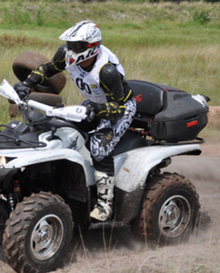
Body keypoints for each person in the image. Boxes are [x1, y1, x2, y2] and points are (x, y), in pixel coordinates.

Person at [14, 20, 136, 222]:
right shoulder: (66, 54)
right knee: (63, 130)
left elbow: (119, 107)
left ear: (92, 47)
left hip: (119, 108)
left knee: (99, 147)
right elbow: (49, 68)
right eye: (70, 44)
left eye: (77, 46)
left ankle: (105, 204)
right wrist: (27, 84)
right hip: (94, 103)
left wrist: (95, 110)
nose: (71, 50)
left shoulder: (107, 71)